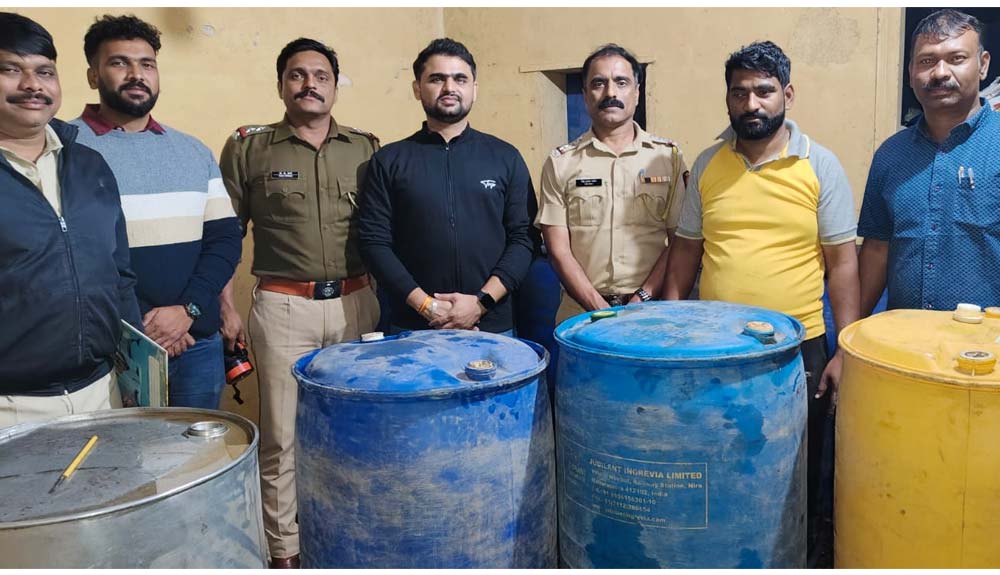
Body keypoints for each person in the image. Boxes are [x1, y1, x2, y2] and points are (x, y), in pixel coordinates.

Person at [662, 41, 859, 567]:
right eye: (739, 92)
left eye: (764, 91)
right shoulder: (708, 163)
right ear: (727, 98)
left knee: (797, 464)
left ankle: (796, 554)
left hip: (798, 349)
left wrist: (844, 350)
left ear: (787, 94)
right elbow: (685, 253)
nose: (751, 104)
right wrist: (670, 328)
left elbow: (842, 264)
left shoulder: (820, 165)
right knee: (718, 457)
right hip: (714, 350)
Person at [219, 37, 381, 568]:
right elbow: (224, 235)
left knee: (355, 427)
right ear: (281, 84)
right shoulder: (250, 148)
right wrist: (226, 307)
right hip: (284, 308)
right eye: (297, 74)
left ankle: (346, 531)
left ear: (335, 85)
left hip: (358, 304)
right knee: (282, 437)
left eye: (321, 76)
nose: (310, 84)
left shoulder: (365, 148)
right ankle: (285, 550)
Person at [70, 15, 241, 409]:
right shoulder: (66, 148)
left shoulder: (192, 151)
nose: (137, 75)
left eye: (147, 64)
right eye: (119, 63)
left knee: (195, 446)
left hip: (197, 344)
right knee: (119, 449)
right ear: (93, 75)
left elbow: (225, 239)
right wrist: (145, 326)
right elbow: (75, 257)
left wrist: (187, 311)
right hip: (114, 349)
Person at [0, 12, 141, 427]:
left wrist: (134, 371)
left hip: (101, 391)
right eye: (11, 69)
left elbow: (120, 274)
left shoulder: (89, 165)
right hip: (11, 406)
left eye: (45, 71)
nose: (33, 85)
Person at [358, 38, 533, 335]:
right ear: (417, 88)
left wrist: (481, 303)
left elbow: (523, 239)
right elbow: (374, 243)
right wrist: (427, 306)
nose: (449, 87)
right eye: (437, 79)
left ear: (474, 89)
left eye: (460, 79)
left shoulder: (505, 157)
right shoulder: (388, 161)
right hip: (414, 326)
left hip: (492, 325)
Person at [859, 9, 997, 316]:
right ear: (911, 73)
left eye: (956, 58)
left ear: (983, 64)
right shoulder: (890, 155)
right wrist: (850, 333)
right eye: (927, 61)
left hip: (988, 342)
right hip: (904, 339)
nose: (940, 73)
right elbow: (877, 249)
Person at [536, 44, 687, 323]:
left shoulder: (668, 158)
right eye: (598, 83)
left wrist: (642, 297)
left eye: (621, 82)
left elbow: (680, 240)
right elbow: (558, 251)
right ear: (585, 95)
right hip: (581, 315)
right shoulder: (561, 162)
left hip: (651, 313)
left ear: (637, 93)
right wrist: (599, 308)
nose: (610, 93)